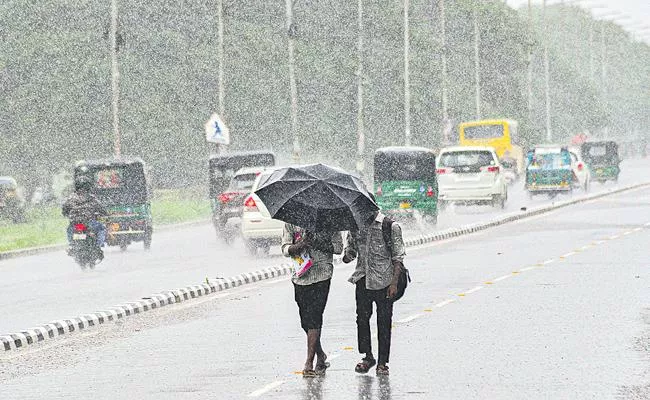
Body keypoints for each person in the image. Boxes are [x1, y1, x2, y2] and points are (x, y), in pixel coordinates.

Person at [343, 208, 406, 376]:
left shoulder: (390, 226)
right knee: (362, 319)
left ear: (373, 209)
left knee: (384, 322)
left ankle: (383, 362)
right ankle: (367, 356)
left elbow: (398, 257)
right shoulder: (355, 226)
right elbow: (351, 251)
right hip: (362, 279)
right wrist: (347, 255)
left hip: (384, 280)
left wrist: (393, 283)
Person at [282, 223, 343, 377]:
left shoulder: (330, 220)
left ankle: (309, 363)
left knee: (315, 317)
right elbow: (285, 248)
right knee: (305, 322)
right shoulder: (291, 221)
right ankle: (320, 354)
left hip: (322, 275)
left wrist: (317, 241)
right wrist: (301, 245)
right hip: (301, 276)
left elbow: (338, 248)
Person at [62, 176, 108, 256]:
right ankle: (98, 245)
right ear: (89, 186)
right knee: (101, 228)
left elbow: (64, 210)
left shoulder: (70, 198)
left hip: (76, 224)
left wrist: (67, 214)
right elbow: (102, 209)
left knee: (69, 230)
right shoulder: (92, 198)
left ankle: (72, 245)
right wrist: (104, 213)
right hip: (89, 223)